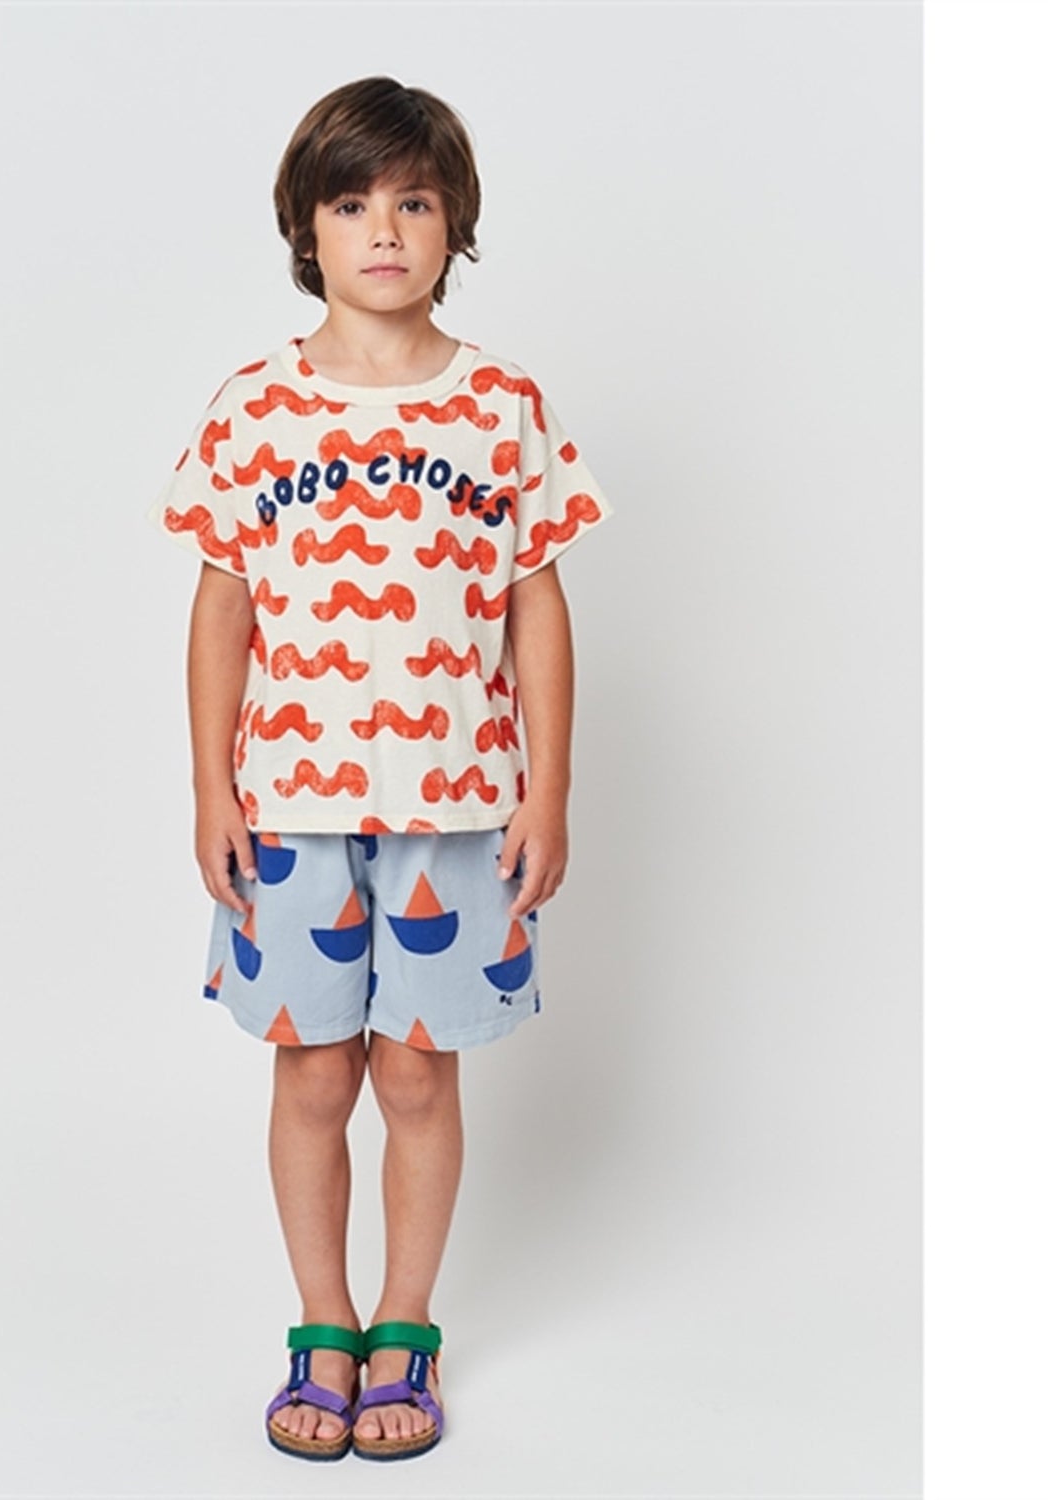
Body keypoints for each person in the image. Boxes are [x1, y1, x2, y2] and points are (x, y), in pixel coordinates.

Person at [145, 76, 613, 1462]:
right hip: (289, 807)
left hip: (458, 807)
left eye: (414, 201)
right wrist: (212, 788)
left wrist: (548, 789)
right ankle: (323, 1321)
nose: (387, 230)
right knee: (311, 1078)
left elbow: (536, 602)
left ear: (455, 221)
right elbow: (222, 604)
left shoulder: (502, 407)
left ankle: (407, 1321)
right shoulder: (254, 411)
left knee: (415, 1078)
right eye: (353, 204)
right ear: (308, 228)